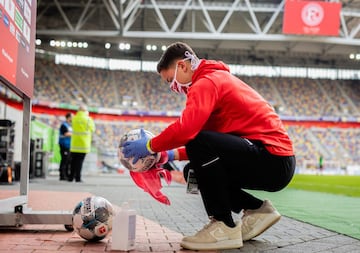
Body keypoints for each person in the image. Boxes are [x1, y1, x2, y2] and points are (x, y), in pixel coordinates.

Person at [121, 42, 296, 251]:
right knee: (192, 171)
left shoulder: (206, 82)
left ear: (183, 66)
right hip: (271, 159)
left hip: (272, 157)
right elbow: (210, 146)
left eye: (171, 80)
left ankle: (223, 225)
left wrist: (151, 145)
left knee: (197, 141)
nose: (173, 87)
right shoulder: (216, 80)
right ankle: (257, 209)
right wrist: (167, 155)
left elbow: (188, 132)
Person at [68, 104, 95, 182]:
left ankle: (70, 177)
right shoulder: (88, 119)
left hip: (74, 144)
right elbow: (92, 129)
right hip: (83, 145)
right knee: (79, 162)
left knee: (73, 162)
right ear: (85, 111)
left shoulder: (74, 118)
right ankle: (78, 178)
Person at [58, 112, 72, 180]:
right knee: (64, 160)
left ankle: (66, 175)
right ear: (68, 117)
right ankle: (62, 175)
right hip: (64, 144)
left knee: (68, 161)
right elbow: (66, 134)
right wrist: (75, 134)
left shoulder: (70, 125)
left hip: (69, 145)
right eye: (72, 117)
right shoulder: (64, 125)